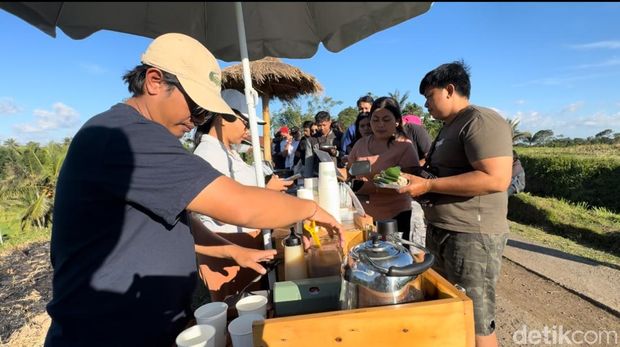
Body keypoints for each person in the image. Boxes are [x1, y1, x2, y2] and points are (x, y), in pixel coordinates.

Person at [44, 33, 343, 347]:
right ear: (155, 81)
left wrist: (230, 250)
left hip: (146, 326)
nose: (197, 119)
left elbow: (174, 221)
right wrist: (310, 208)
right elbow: (241, 205)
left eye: (205, 112)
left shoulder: (131, 134)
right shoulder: (125, 137)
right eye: (197, 107)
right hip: (106, 334)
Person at [398, 61, 512, 347]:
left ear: (449, 90)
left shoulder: (480, 121)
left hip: (471, 234)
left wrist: (429, 185)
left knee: (476, 316)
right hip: (442, 228)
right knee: (449, 307)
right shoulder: (449, 127)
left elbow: (496, 179)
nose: (426, 104)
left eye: (429, 96)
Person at [192, 89, 293, 301]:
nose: (247, 130)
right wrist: (267, 192)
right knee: (234, 310)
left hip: (247, 246)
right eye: (245, 123)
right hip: (227, 251)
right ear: (224, 118)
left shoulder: (229, 153)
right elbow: (222, 208)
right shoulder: (207, 156)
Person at [347, 97, 420, 239]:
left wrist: (368, 186)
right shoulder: (361, 144)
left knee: (394, 257)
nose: (380, 124)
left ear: (397, 121)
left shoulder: (404, 146)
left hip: (394, 217)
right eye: (375, 120)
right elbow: (351, 170)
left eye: (386, 120)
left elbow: (410, 182)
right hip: (364, 216)